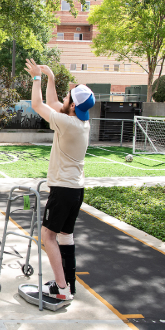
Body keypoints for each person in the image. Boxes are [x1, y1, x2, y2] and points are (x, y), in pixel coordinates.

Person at [25, 59, 95, 301]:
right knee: (66, 236)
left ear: (73, 105)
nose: (64, 99)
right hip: (75, 189)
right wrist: (50, 78)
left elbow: (38, 104)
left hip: (63, 190)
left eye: (68, 97)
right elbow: (55, 103)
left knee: (48, 236)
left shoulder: (66, 123)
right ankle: (69, 284)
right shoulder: (81, 122)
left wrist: (36, 78)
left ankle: (61, 288)